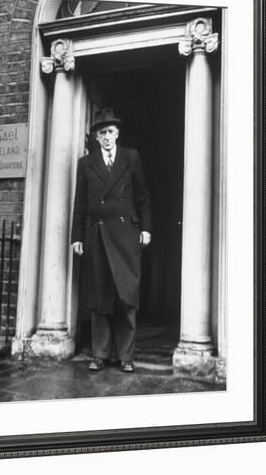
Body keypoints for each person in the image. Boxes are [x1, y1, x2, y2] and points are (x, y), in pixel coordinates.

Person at [71, 107, 152, 373]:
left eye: (110, 132)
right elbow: (80, 202)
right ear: (95, 137)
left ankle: (126, 356)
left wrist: (146, 228)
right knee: (100, 297)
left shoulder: (131, 157)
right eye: (101, 133)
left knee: (126, 295)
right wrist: (76, 236)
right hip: (97, 235)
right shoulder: (86, 163)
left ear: (117, 133)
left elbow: (142, 196)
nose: (106, 137)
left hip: (126, 234)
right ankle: (99, 354)